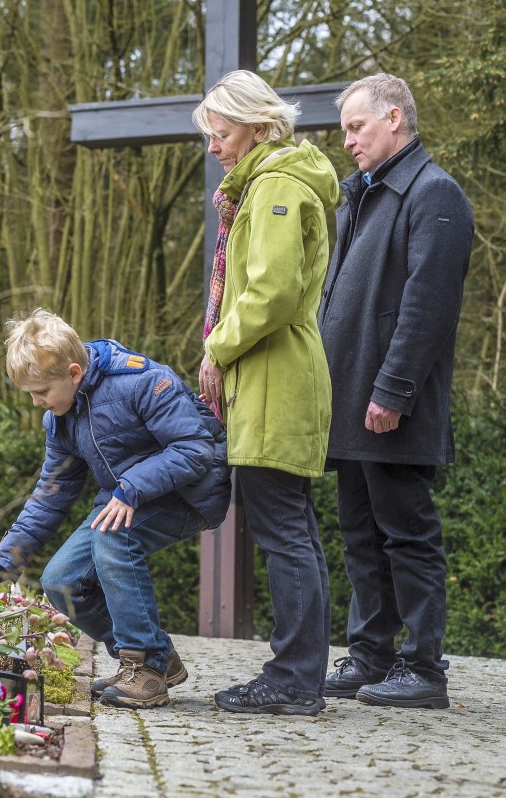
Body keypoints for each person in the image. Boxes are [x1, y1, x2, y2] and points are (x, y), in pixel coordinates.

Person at [318, 74, 474, 709]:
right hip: (351, 401)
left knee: (407, 534)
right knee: (360, 533)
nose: (348, 140)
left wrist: (394, 391)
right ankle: (370, 655)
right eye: (346, 129)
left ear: (393, 119)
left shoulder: (434, 195)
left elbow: (426, 309)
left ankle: (424, 669)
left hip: (391, 405)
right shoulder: (362, 198)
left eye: (356, 127)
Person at [0, 309, 230, 709]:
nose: (36, 403)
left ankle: (147, 669)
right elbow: (51, 493)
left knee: (113, 534)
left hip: (188, 493)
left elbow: (195, 449)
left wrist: (130, 489)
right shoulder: (60, 419)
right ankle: (156, 659)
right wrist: (2, 564)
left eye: (42, 392)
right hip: (126, 497)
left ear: (74, 372)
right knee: (61, 580)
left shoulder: (141, 381)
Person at [193, 70, 337, 716]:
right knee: (292, 529)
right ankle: (299, 673)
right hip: (272, 376)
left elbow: (272, 292)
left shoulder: (276, 184)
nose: (214, 146)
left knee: (284, 531)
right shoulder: (268, 182)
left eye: (221, 133)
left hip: (275, 373)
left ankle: (293, 679)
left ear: (256, 125)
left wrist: (217, 347)